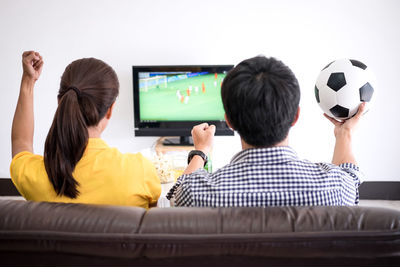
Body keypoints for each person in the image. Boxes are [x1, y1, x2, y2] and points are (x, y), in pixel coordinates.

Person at [167, 55, 364, 207]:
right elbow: (351, 176)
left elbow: (179, 193)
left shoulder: (196, 193)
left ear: (229, 121)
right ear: (295, 116)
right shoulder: (336, 186)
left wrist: (200, 151)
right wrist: (344, 133)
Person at [10, 51, 161, 208]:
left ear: (60, 103)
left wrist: (28, 80)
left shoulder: (34, 175)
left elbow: (20, 142)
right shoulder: (140, 172)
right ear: (110, 110)